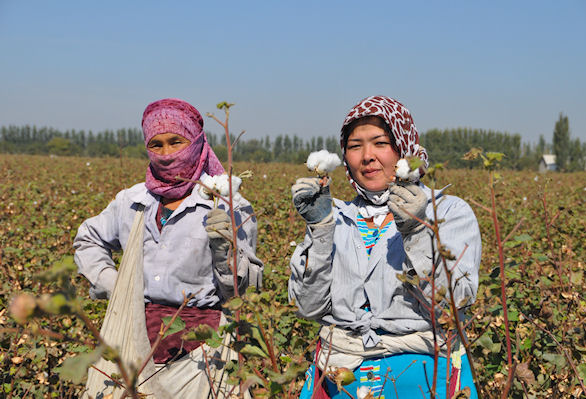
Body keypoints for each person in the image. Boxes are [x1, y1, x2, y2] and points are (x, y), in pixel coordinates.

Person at [289, 95, 481, 398]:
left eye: (380, 143)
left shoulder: (446, 212)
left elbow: (453, 304)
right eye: (355, 146)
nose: (367, 156)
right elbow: (308, 307)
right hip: (341, 378)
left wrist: (417, 231)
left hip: (423, 380)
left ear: (404, 147)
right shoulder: (335, 216)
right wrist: (321, 230)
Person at [74, 98, 262, 397]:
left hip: (201, 351)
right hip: (132, 340)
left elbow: (240, 292)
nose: (165, 154)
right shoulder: (132, 202)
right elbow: (88, 240)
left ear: (198, 142)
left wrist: (225, 253)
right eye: (156, 144)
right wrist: (117, 286)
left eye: (176, 142)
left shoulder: (227, 204)